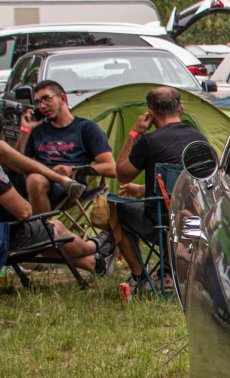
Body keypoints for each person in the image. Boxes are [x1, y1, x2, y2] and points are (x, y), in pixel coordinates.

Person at [108, 86, 205, 288]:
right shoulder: (199, 139)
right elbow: (186, 185)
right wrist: (144, 189)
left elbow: (122, 173)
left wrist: (135, 132)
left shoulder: (148, 141)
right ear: (181, 110)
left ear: (151, 114)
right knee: (168, 209)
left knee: (115, 209)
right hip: (196, 223)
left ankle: (139, 276)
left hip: (161, 225)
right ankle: (169, 271)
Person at [17, 80, 116, 213]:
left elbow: (111, 168)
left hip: (72, 187)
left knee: (34, 180)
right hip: (40, 181)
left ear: (62, 98)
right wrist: (25, 130)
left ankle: (43, 230)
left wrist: (73, 169)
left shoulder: (86, 128)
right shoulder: (37, 130)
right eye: (38, 102)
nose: (42, 105)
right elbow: (17, 162)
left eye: (46, 98)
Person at [0, 161, 101, 273]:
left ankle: (93, 262)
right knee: (54, 229)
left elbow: (109, 167)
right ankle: (95, 246)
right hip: (7, 240)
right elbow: (23, 212)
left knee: (46, 236)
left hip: (59, 185)